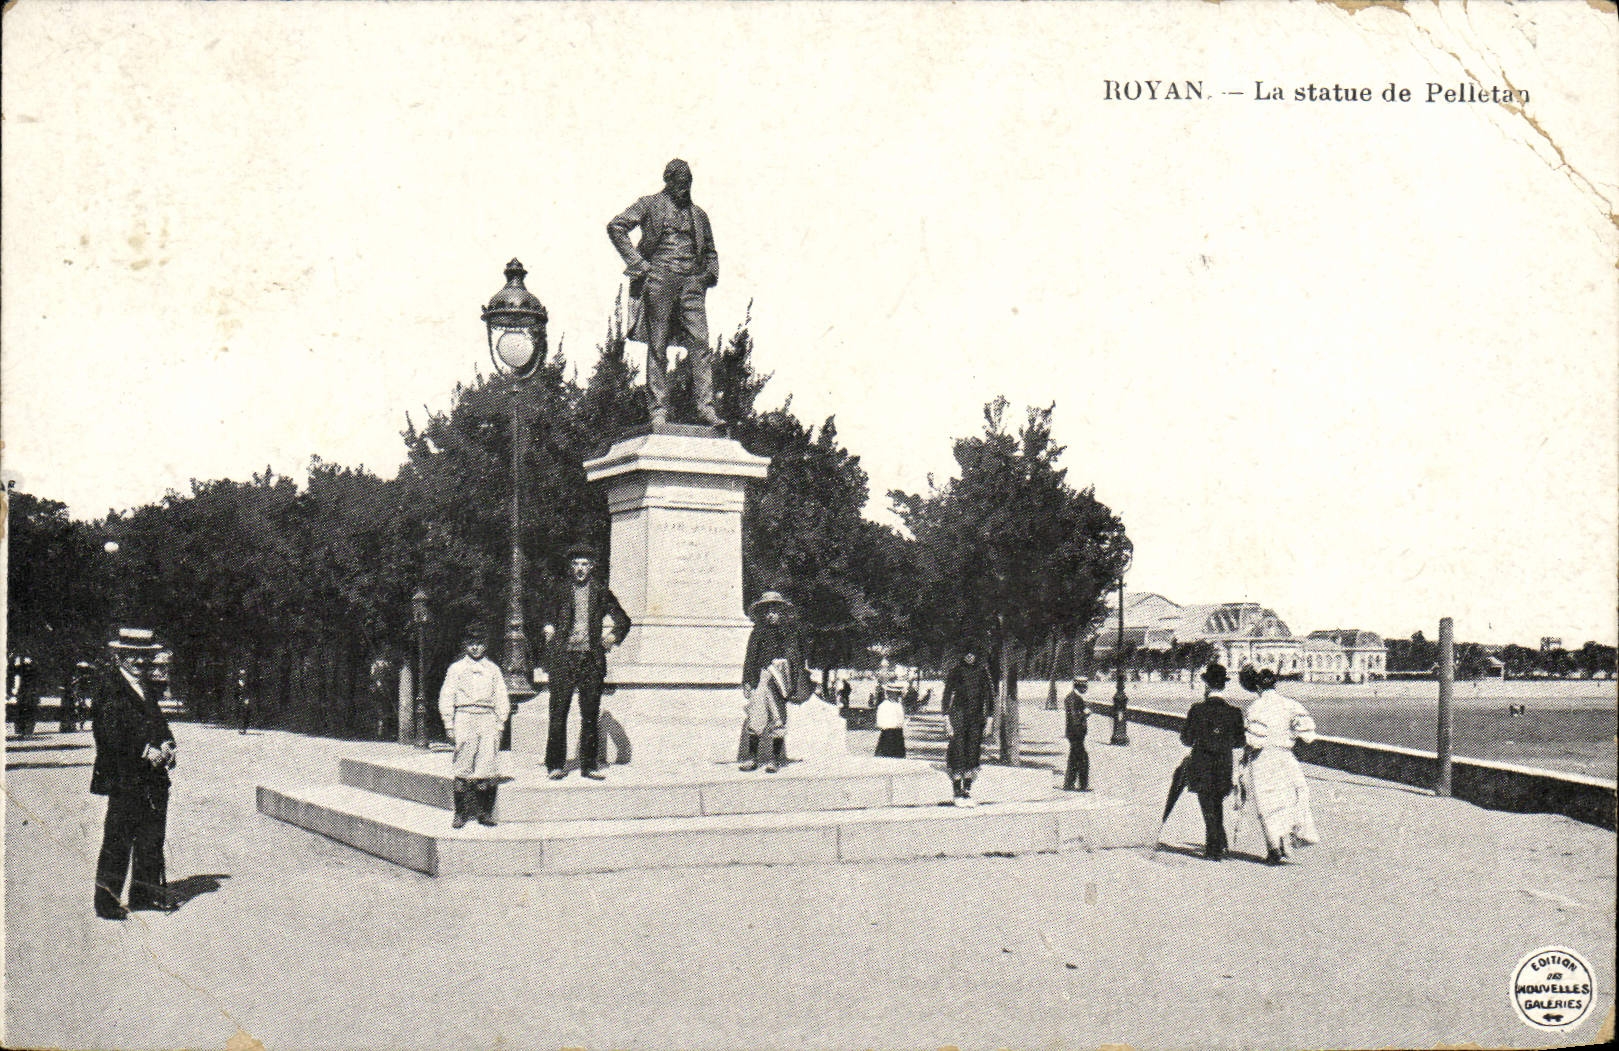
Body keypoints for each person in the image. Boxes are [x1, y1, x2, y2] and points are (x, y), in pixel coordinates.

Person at [606, 158, 724, 427]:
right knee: (658, 346)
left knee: (701, 343)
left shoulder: (699, 215)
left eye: (689, 184)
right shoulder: (649, 204)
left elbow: (710, 251)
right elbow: (616, 226)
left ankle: (706, 409)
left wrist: (709, 275)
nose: (686, 190)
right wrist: (639, 264)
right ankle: (658, 409)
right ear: (668, 182)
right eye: (681, 185)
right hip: (660, 278)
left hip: (692, 283)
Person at [91, 629, 178, 919]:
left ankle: (143, 894)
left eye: (145, 655)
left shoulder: (145, 687)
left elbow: (159, 723)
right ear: (119, 656)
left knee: (150, 835)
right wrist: (144, 750)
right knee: (119, 837)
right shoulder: (110, 686)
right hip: (124, 775)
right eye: (133, 655)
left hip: (151, 776)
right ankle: (106, 902)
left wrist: (167, 743)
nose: (140, 661)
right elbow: (108, 731)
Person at [542, 541, 632, 781]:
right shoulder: (560, 590)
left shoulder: (601, 592)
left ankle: (589, 765)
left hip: (591, 659)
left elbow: (623, 620)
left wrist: (611, 638)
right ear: (570, 567)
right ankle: (555, 764)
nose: (580, 568)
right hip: (564, 658)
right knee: (558, 712)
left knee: (590, 714)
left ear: (592, 566)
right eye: (576, 564)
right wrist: (548, 627)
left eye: (585, 564)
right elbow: (545, 614)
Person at [1241, 667, 1321, 864]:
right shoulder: (1290, 704)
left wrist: (1245, 757)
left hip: (1263, 759)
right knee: (1288, 799)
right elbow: (1308, 734)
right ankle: (1287, 841)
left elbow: (1254, 740)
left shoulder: (1255, 707)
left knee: (1267, 803)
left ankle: (1274, 848)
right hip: (1286, 758)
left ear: (1258, 686)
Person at [438, 623, 512, 828]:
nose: (475, 648)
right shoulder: (456, 669)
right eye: (472, 644)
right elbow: (447, 695)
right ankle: (460, 813)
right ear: (465, 645)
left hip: (487, 717)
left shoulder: (493, 669)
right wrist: (449, 724)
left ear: (485, 645)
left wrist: (500, 723)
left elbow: (501, 697)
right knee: (463, 764)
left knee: (486, 765)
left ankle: (484, 812)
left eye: (479, 644)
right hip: (464, 716)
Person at [1179, 663, 1246, 860]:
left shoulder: (1197, 710)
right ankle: (1219, 842)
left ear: (1207, 685)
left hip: (1201, 763)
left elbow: (1186, 739)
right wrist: (1222, 742)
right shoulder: (1234, 712)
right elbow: (1240, 742)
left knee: (1207, 804)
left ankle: (1214, 847)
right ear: (1223, 686)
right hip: (1224, 764)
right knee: (1216, 803)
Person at [739, 591, 807, 773]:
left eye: (775, 611)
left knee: (778, 718)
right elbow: (750, 658)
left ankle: (775, 759)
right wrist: (746, 681)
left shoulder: (789, 633)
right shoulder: (758, 632)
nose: (771, 614)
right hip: (761, 678)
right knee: (756, 716)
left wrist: (786, 668)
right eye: (768, 611)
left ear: (782, 612)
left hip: (779, 681)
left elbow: (797, 657)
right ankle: (752, 758)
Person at [942, 643, 996, 805]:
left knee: (973, 751)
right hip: (958, 715)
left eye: (973, 653)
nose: (970, 656)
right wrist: (946, 720)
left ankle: (967, 790)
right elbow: (947, 695)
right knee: (958, 750)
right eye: (967, 653)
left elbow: (990, 697)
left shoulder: (983, 672)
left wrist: (990, 720)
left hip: (976, 718)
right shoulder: (956, 671)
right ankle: (957, 791)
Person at [1062, 677, 1091, 791]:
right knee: (1082, 758)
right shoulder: (1075, 699)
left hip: (1073, 732)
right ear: (1079, 686)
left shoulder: (1071, 698)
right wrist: (1085, 714)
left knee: (1074, 758)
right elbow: (1075, 717)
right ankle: (1081, 785)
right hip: (1076, 733)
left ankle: (1069, 784)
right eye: (1084, 686)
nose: (1086, 688)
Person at [874, 686, 906, 758]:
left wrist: (900, 724)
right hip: (888, 732)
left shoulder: (898, 705)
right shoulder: (884, 705)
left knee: (898, 755)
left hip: (898, 732)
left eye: (897, 693)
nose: (895, 695)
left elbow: (901, 717)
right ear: (888, 694)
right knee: (886, 753)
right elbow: (880, 720)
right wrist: (886, 725)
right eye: (893, 693)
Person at [12, 654, 40, 738]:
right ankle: (27, 730)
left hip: (25, 693)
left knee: (23, 710)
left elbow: (17, 678)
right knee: (27, 711)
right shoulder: (33, 670)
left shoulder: (21, 670)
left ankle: (22, 730)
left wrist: (15, 690)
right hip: (28, 693)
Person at [61, 660, 91, 733]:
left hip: (80, 694)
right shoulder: (76, 676)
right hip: (75, 694)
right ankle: (71, 726)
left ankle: (78, 725)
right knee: (75, 709)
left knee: (80, 709)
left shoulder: (84, 677)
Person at [233, 667, 252, 734]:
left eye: (243, 674)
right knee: (239, 713)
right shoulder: (237, 682)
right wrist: (236, 698)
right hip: (239, 699)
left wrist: (248, 698)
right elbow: (235, 690)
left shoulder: (248, 682)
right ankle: (240, 727)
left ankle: (244, 728)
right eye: (241, 674)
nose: (242, 676)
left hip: (245, 699)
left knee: (245, 713)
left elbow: (249, 691)